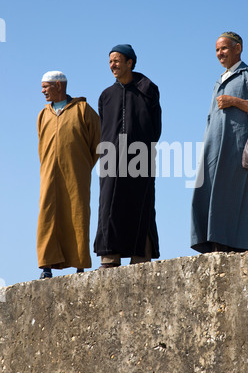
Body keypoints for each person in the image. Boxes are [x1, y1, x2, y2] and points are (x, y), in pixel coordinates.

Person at [191, 32, 248, 253]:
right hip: (215, 150)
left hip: (241, 147)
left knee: (247, 195)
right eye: (217, 50)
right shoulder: (218, 81)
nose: (220, 53)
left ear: (238, 48)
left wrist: (235, 102)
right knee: (214, 193)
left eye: (224, 48)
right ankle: (216, 243)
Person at [94, 44, 162, 268]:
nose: (113, 65)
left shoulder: (148, 89)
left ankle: (141, 255)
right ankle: (110, 256)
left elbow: (155, 127)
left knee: (140, 203)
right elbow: (104, 128)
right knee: (108, 205)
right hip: (111, 158)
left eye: (117, 60)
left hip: (140, 157)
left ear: (130, 63)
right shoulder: (106, 96)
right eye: (110, 61)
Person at [37, 70, 100, 278]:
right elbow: (41, 146)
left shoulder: (83, 110)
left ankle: (79, 264)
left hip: (77, 174)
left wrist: (81, 166)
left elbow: (97, 144)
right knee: (47, 214)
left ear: (59, 86)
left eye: (46, 87)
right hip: (48, 175)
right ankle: (46, 265)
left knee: (78, 213)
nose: (43, 91)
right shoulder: (43, 114)